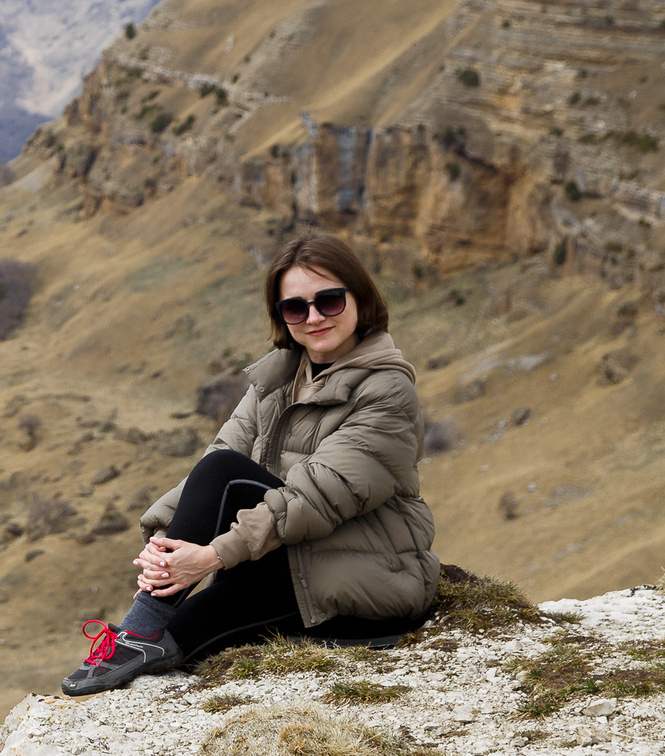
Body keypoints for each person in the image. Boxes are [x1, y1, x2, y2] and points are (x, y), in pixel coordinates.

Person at [64, 231, 441, 695]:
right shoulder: (278, 379)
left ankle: (138, 628)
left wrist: (210, 556)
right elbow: (216, 461)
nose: (315, 317)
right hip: (287, 569)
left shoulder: (387, 392)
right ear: (281, 316)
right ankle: (139, 633)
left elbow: (317, 496)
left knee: (224, 476)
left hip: (366, 589)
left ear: (360, 299)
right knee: (174, 644)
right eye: (296, 307)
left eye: (330, 300)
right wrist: (164, 542)